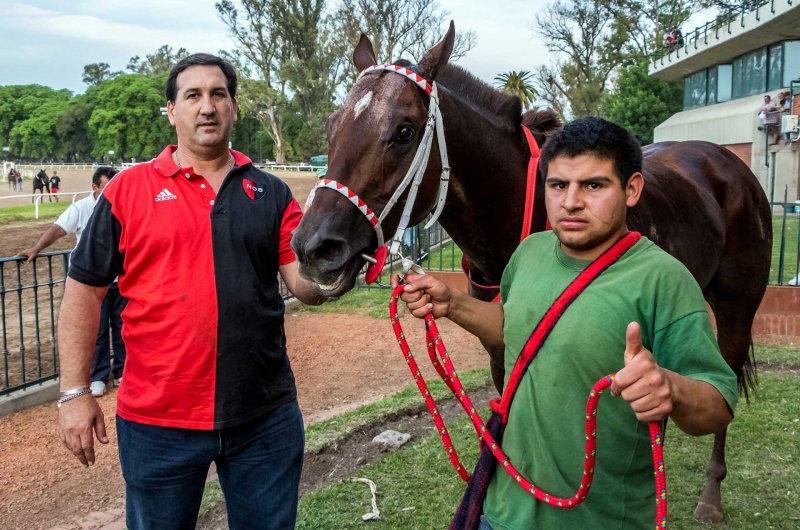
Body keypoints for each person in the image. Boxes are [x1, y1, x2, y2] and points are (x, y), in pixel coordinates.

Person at [394, 118, 738, 529]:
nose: (571, 201)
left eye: (593, 185)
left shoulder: (663, 279)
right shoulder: (530, 252)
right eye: (558, 185)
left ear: (631, 190)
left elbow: (718, 403)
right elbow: (514, 328)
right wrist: (453, 304)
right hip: (501, 511)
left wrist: (672, 388)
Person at [56, 53, 326, 530]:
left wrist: (339, 266)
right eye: (193, 95)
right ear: (171, 110)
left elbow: (303, 285)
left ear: (235, 108)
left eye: (218, 94)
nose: (207, 107)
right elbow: (84, 291)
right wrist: (75, 392)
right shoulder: (127, 190)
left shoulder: (271, 193)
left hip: (263, 418)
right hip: (157, 424)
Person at [18, 167, 127, 397]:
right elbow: (59, 229)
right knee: (97, 330)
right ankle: (98, 376)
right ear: (94, 187)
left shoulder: (123, 203)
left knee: (122, 328)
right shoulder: (81, 207)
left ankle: (121, 371)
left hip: (121, 281)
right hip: (94, 283)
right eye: (107, 186)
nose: (112, 191)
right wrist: (36, 248)